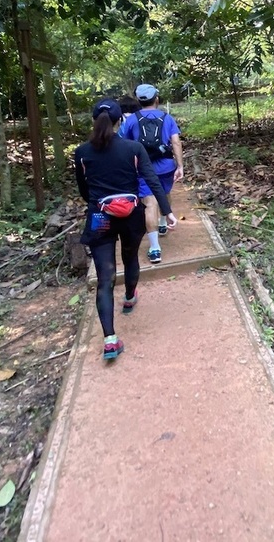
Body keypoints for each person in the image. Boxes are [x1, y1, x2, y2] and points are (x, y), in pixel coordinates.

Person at [75, 98, 177, 360]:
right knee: (130, 257)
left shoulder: (82, 152)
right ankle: (130, 298)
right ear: (121, 121)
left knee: (105, 277)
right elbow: (152, 181)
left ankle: (110, 340)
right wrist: (168, 212)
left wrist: (97, 204)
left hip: (100, 216)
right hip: (131, 214)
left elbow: (84, 190)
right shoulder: (133, 148)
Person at [118, 83, 184, 265]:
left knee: (149, 203)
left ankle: (154, 249)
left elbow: (123, 145)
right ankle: (163, 221)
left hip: (142, 169)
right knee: (165, 193)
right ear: (156, 99)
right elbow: (176, 142)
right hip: (166, 167)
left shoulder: (131, 121)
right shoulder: (167, 118)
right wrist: (180, 166)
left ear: (139, 101)